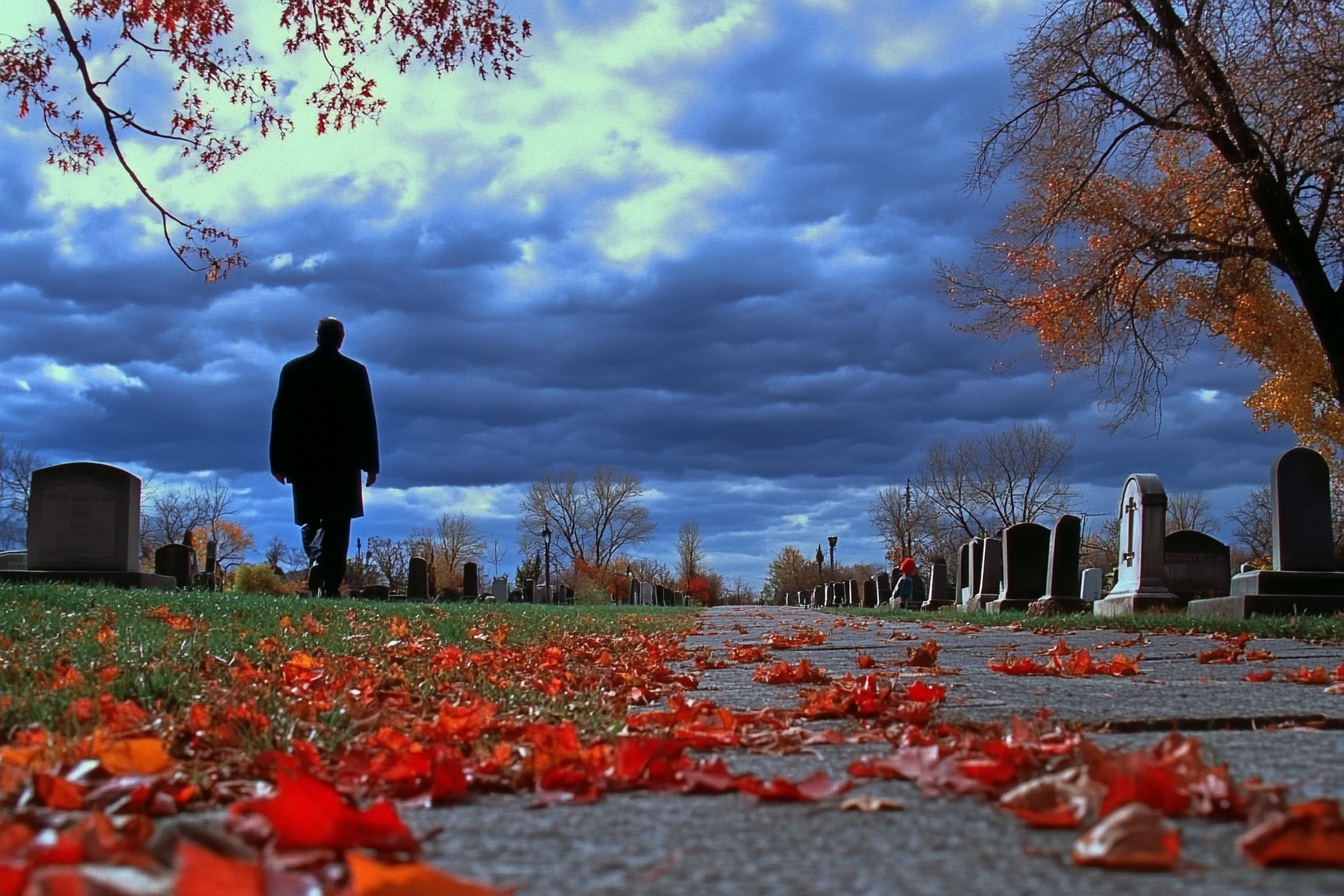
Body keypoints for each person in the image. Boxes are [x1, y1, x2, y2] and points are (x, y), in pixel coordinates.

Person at [270, 318, 379, 597]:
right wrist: (370, 464)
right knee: (338, 525)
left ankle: (317, 558)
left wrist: (278, 462)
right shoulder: (355, 372)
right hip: (343, 462)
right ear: (341, 339)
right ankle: (329, 585)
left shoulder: (293, 370)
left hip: (305, 460)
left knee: (311, 518)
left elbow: (280, 417)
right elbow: (366, 418)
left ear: (318, 336)